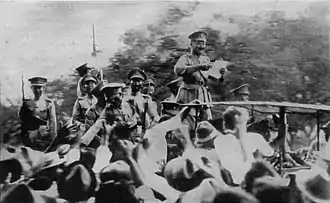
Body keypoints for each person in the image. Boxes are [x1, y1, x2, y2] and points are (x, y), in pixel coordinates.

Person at [174, 31, 224, 120]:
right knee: (189, 120)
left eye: (203, 43)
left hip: (203, 95)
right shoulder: (185, 58)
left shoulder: (206, 59)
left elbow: (212, 78)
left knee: (208, 120)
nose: (201, 46)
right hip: (188, 94)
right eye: (198, 43)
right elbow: (178, 70)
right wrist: (198, 67)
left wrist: (220, 73)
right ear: (191, 44)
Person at [19, 77, 57, 152]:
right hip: (30, 138)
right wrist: (24, 138)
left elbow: (53, 122)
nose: (37, 90)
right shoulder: (27, 103)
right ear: (32, 88)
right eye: (35, 88)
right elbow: (23, 121)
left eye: (39, 87)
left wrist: (53, 139)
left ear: (43, 88)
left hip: (44, 137)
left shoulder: (48, 103)